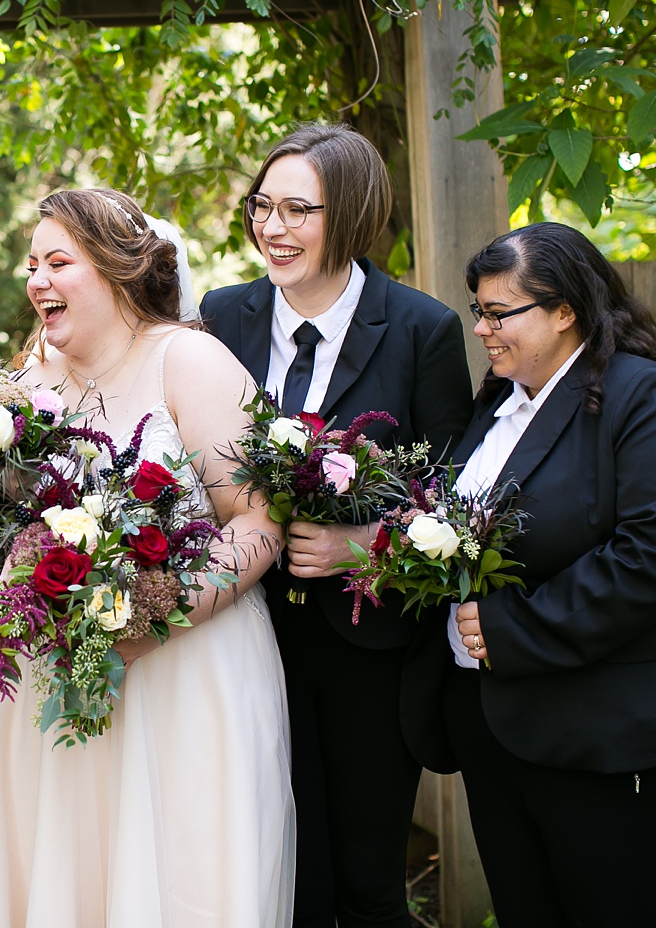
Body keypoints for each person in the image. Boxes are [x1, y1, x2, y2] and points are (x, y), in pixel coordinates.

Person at [399, 221, 656, 927]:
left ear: (566, 311)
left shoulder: (639, 394)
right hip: (501, 728)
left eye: (501, 313)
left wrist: (514, 628)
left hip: (612, 729)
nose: (482, 329)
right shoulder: (499, 405)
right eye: (478, 310)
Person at [0, 188, 293, 926]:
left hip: (188, 674)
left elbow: (261, 520)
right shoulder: (26, 386)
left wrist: (161, 612)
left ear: (113, 270)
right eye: (30, 265)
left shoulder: (190, 361)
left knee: (180, 878)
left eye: (56, 262)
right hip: (58, 682)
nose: (35, 280)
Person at [200, 123, 473, 928]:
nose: (273, 228)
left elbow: (455, 494)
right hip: (244, 637)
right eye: (262, 206)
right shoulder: (223, 316)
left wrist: (367, 544)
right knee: (280, 872)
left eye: (297, 210)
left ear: (348, 213)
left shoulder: (423, 329)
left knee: (366, 879)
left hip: (369, 650)